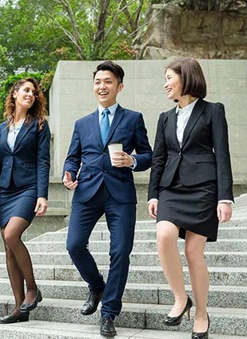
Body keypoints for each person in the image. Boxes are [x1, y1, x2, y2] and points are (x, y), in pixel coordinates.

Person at [63, 60, 152, 337]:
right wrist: (68, 173)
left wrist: (133, 160)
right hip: (87, 191)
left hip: (120, 193)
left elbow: (148, 155)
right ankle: (97, 286)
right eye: (98, 82)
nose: (102, 86)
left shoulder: (133, 118)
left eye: (108, 81)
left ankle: (109, 312)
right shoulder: (82, 123)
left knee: (120, 251)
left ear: (119, 86)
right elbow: (72, 157)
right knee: (74, 244)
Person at [148, 57, 233, 339]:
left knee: (194, 253)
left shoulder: (212, 111)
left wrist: (224, 197)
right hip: (171, 188)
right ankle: (181, 299)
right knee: (163, 235)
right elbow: (159, 159)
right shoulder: (165, 118)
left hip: (203, 189)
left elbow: (222, 154)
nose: (165, 85)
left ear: (185, 78)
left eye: (168, 78)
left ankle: (201, 313)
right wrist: (153, 195)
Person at [0, 78, 50, 324]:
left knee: (11, 236)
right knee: (8, 249)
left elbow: (43, 161)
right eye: (26, 90)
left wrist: (42, 194)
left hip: (28, 188)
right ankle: (19, 308)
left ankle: (33, 289)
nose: (31, 94)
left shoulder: (39, 125)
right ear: (14, 93)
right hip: (5, 191)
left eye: (34, 92)